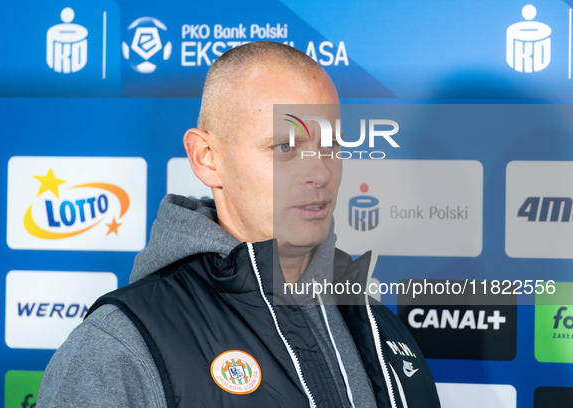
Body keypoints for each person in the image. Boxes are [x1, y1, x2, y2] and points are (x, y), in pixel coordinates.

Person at [37, 41, 440, 408]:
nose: (320, 172)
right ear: (207, 157)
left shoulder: (375, 323)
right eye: (285, 147)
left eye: (331, 145)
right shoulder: (122, 345)